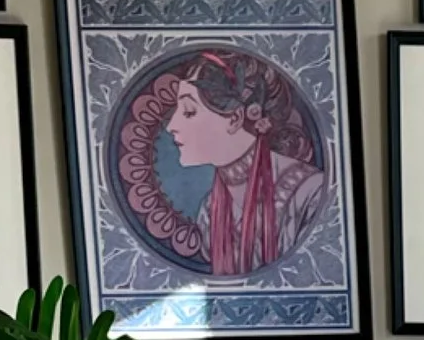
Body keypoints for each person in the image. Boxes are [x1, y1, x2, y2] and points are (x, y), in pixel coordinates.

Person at [115, 47, 327, 274]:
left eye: (188, 112)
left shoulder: (310, 193)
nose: (171, 126)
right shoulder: (209, 212)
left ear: (235, 118)